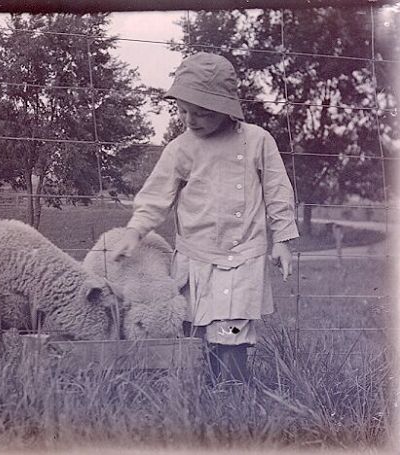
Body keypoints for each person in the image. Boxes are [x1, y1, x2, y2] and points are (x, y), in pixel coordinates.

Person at [110, 52, 299, 385]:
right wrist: (135, 230)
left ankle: (233, 390)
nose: (190, 120)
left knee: (231, 329)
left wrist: (283, 239)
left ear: (226, 108)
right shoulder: (180, 149)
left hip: (242, 257)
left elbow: (278, 190)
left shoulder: (257, 141)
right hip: (195, 257)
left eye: (201, 113)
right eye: (183, 111)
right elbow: (157, 196)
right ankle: (204, 387)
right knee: (197, 327)